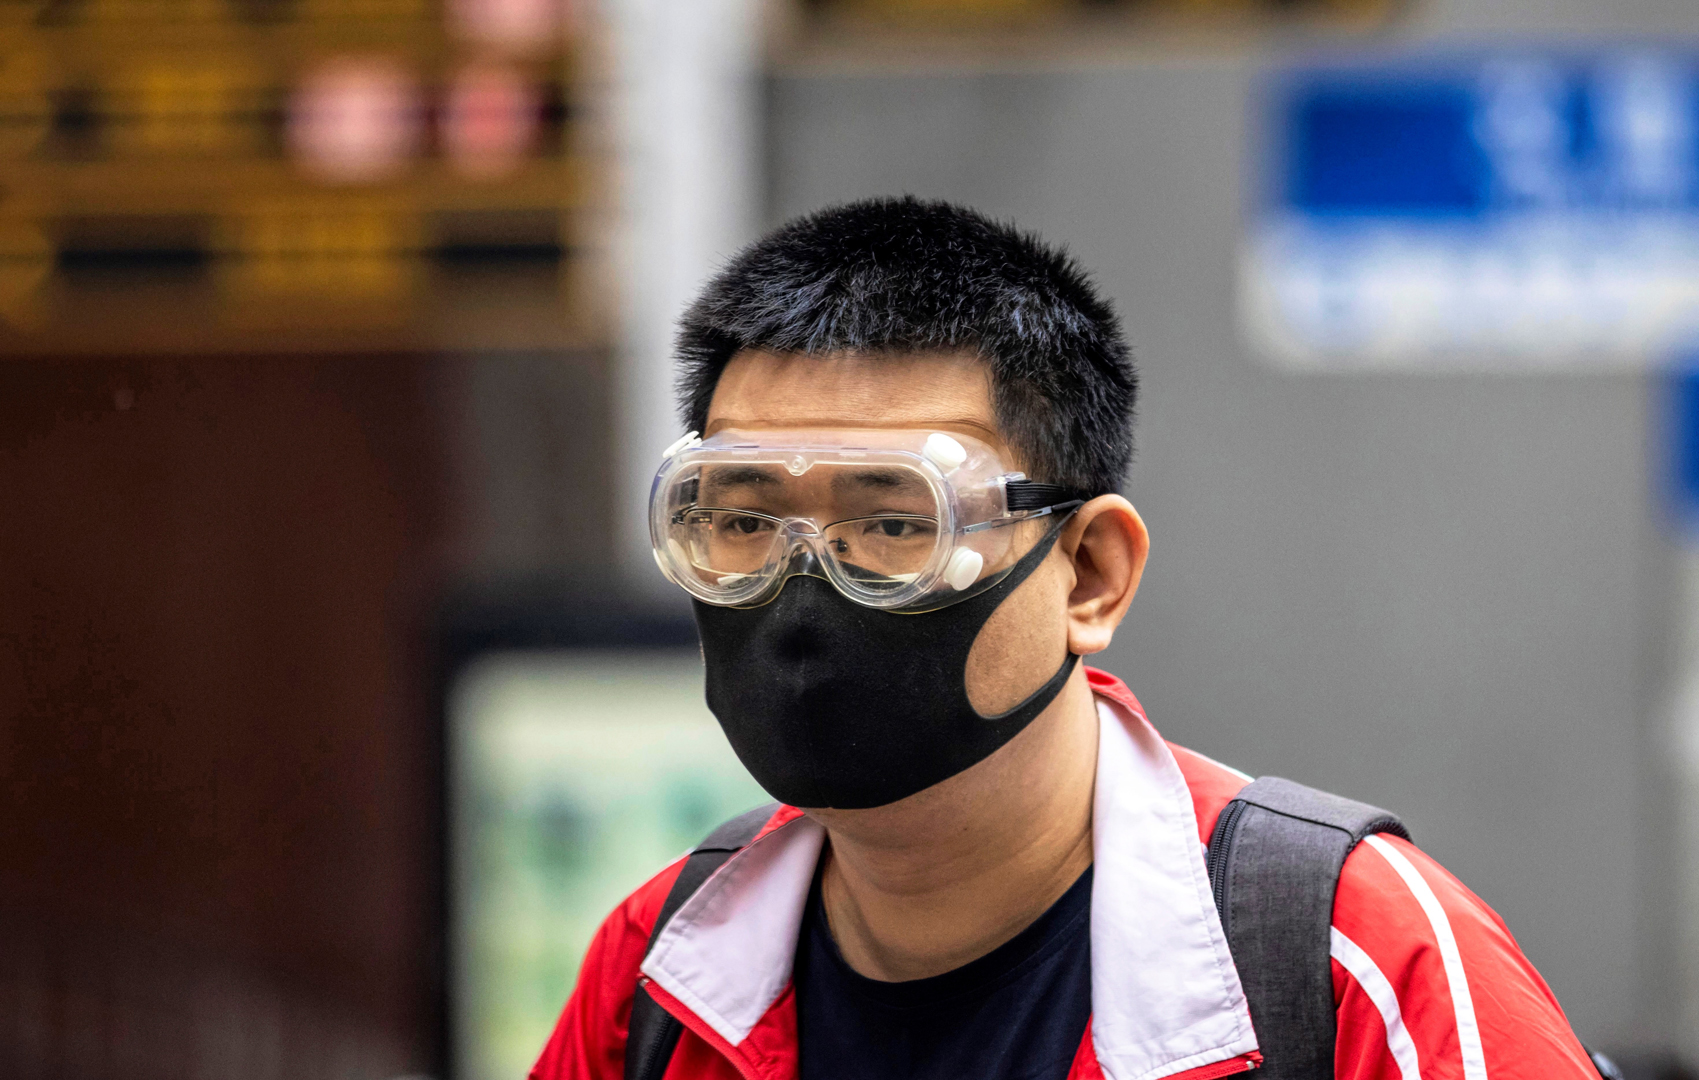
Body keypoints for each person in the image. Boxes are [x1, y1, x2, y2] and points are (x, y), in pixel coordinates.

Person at [531, 197, 1599, 1080]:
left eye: (897, 523)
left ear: (1089, 573)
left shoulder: (1344, 958)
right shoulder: (657, 978)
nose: (804, 589)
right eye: (743, 520)